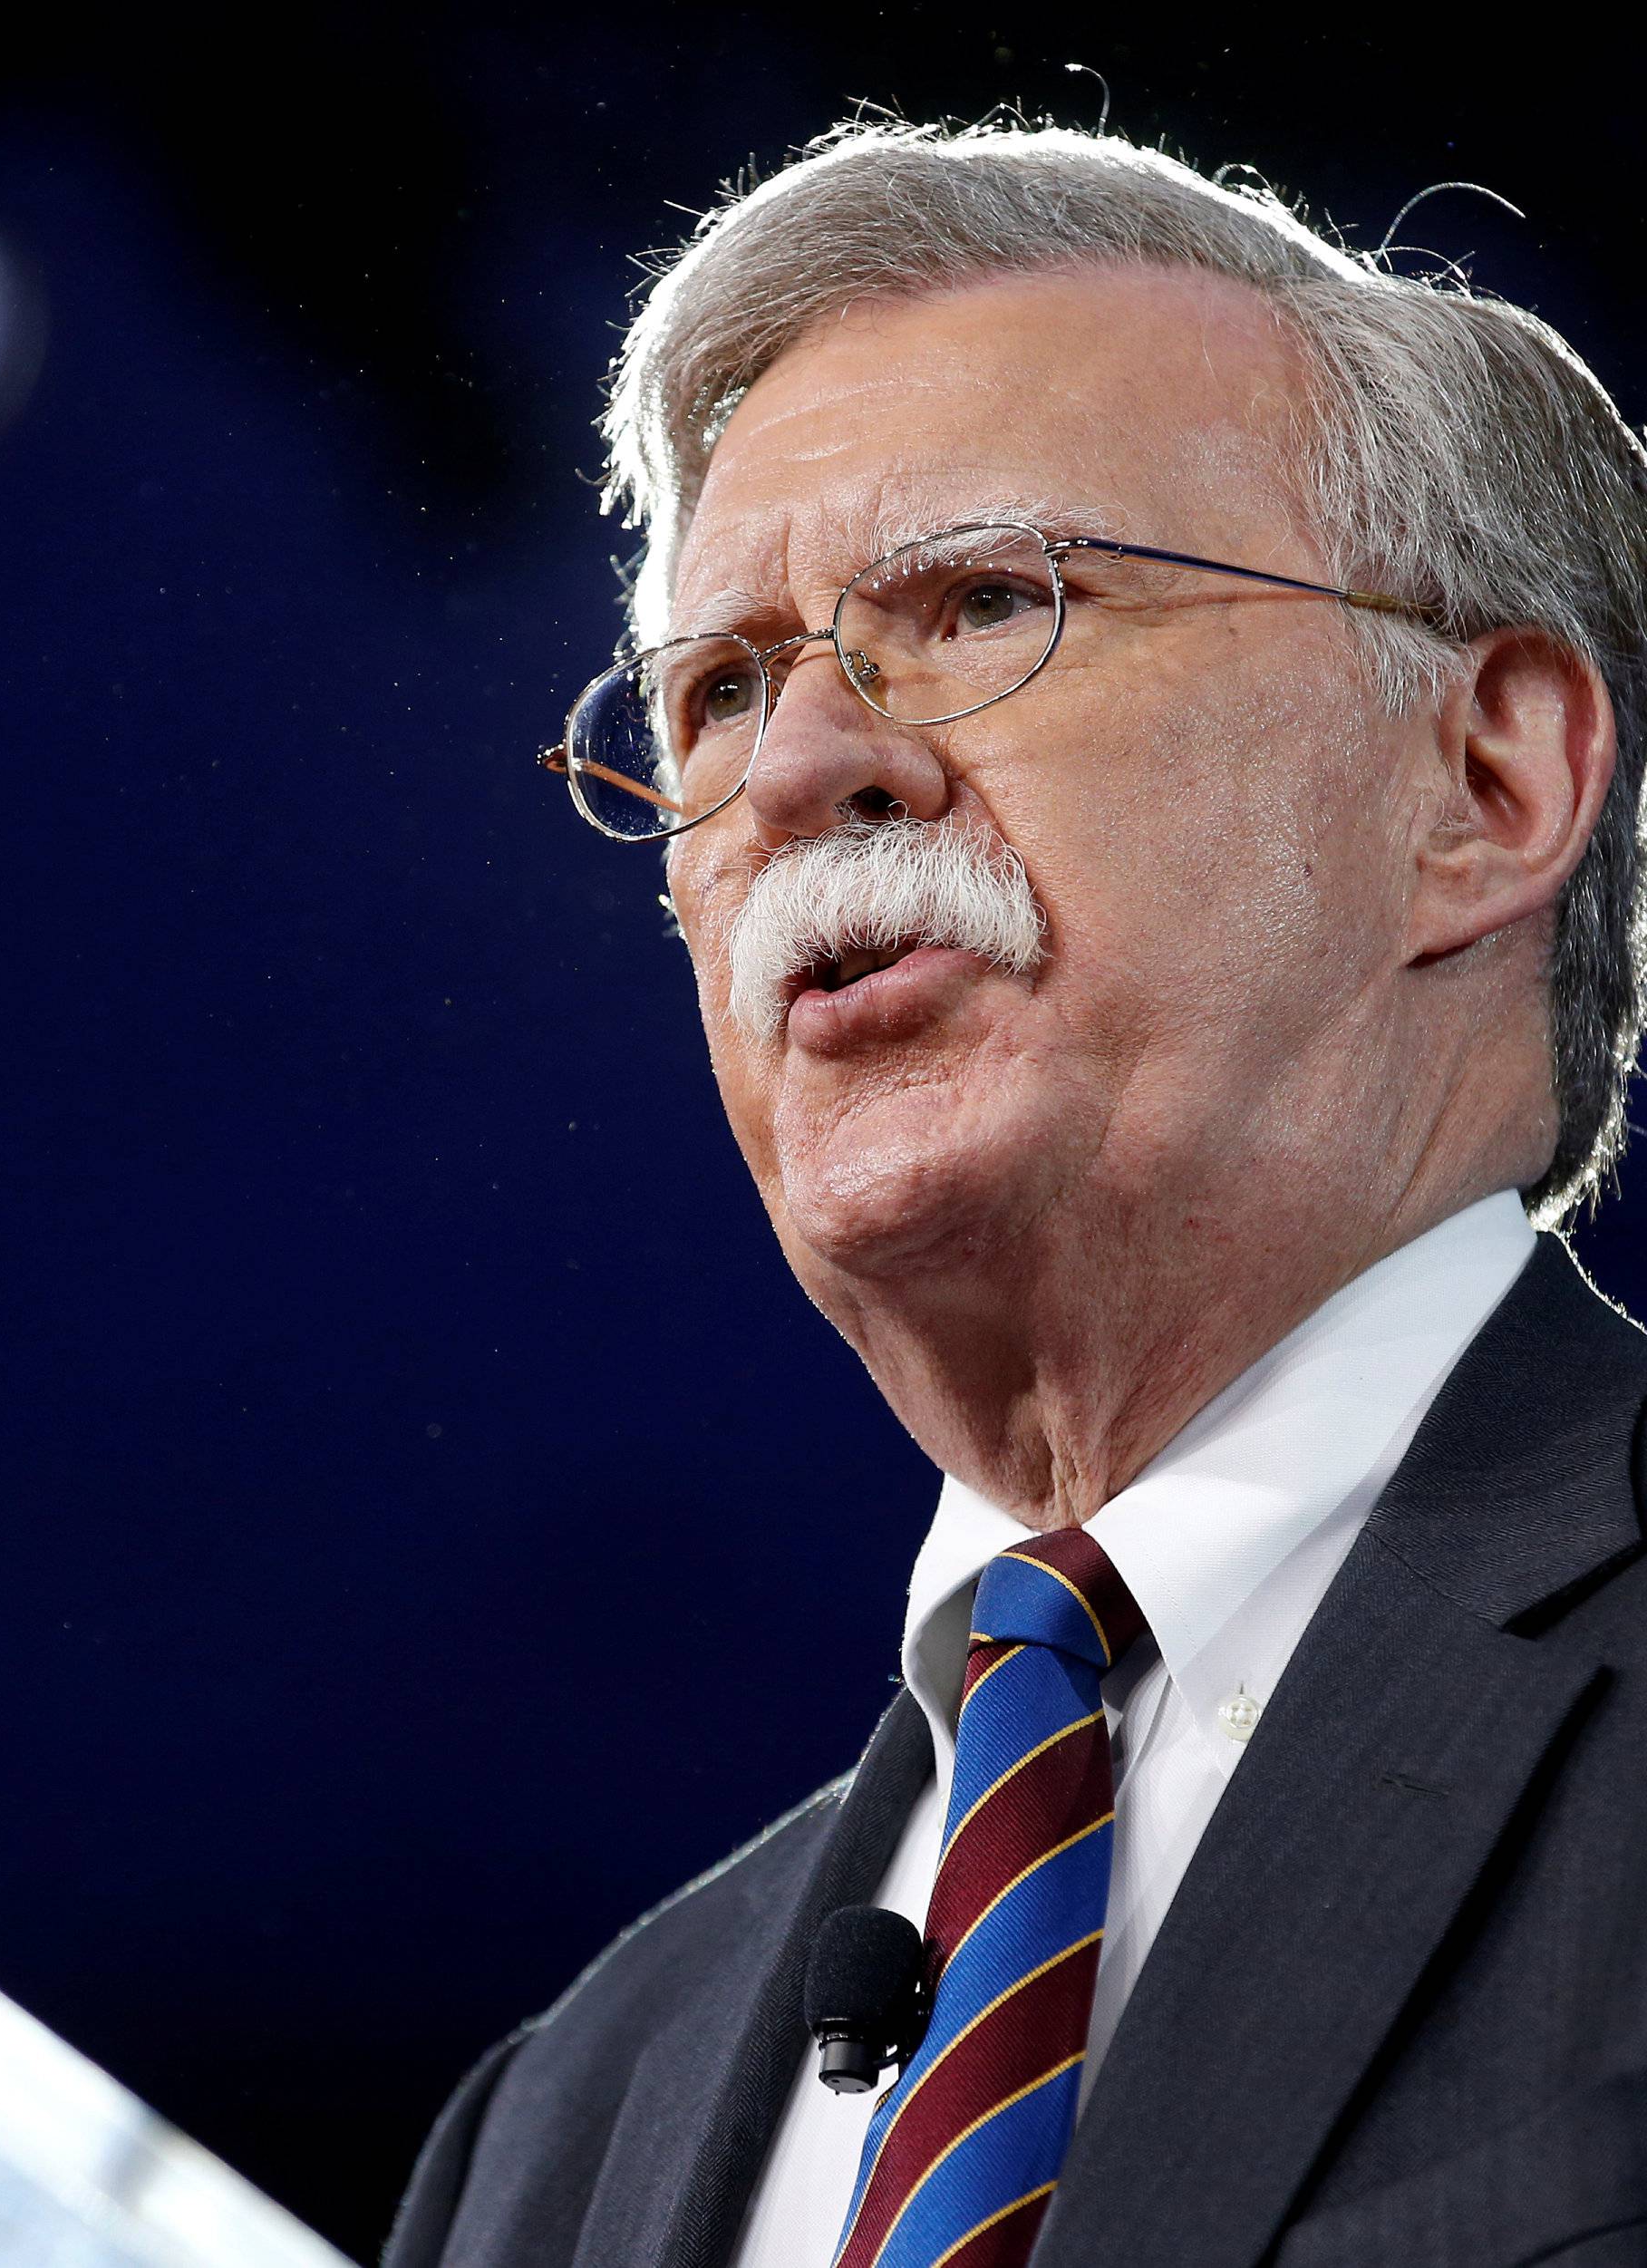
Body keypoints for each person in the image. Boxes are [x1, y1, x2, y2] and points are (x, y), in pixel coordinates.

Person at [387, 118, 1647, 2268]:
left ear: (1484, 779)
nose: (795, 777)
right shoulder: (563, 2126)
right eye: (713, 695)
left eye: (989, 603)